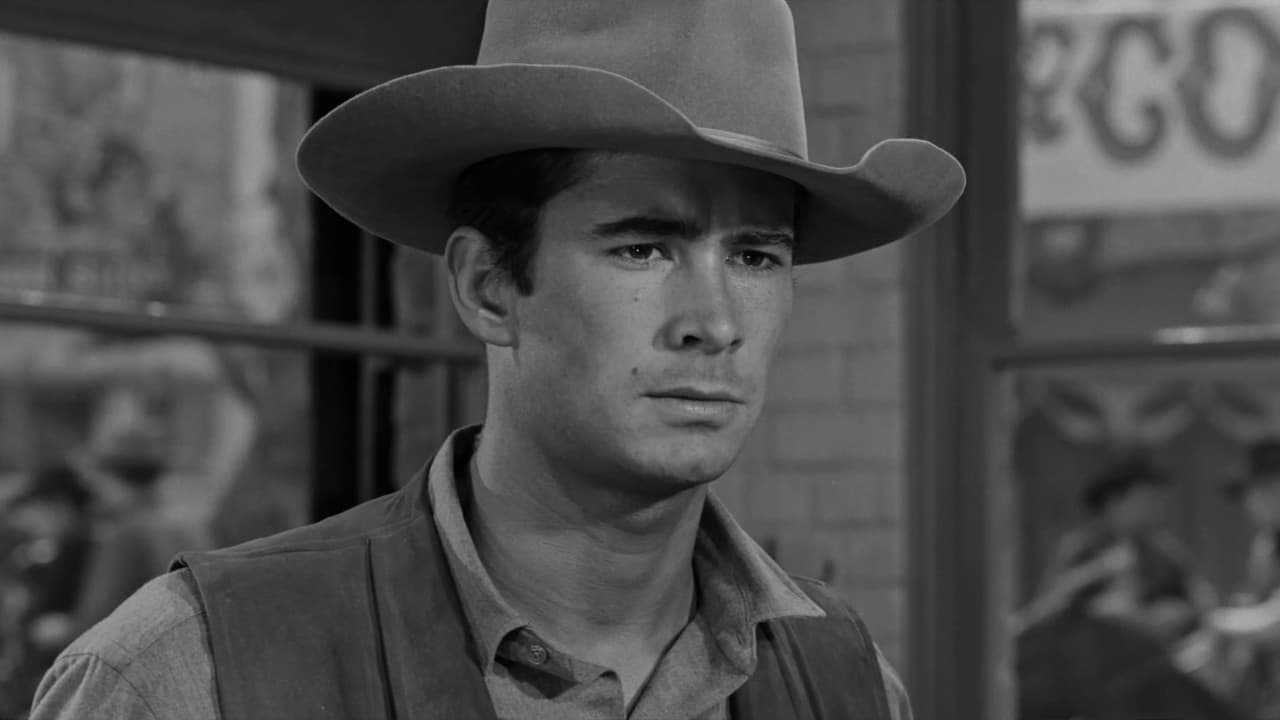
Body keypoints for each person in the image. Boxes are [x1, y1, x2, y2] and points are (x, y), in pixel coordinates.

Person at [28, 1, 966, 718]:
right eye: (643, 247)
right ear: (487, 287)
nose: (714, 322)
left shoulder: (844, 681)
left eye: (756, 257)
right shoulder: (196, 673)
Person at [1014, 453, 1244, 720]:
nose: (1154, 505)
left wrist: (1175, 616)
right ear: (1115, 502)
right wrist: (1099, 575)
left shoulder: (1163, 553)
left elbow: (1203, 604)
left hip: (1157, 674)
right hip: (1097, 681)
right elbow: (1049, 609)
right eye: (1144, 497)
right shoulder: (1084, 549)